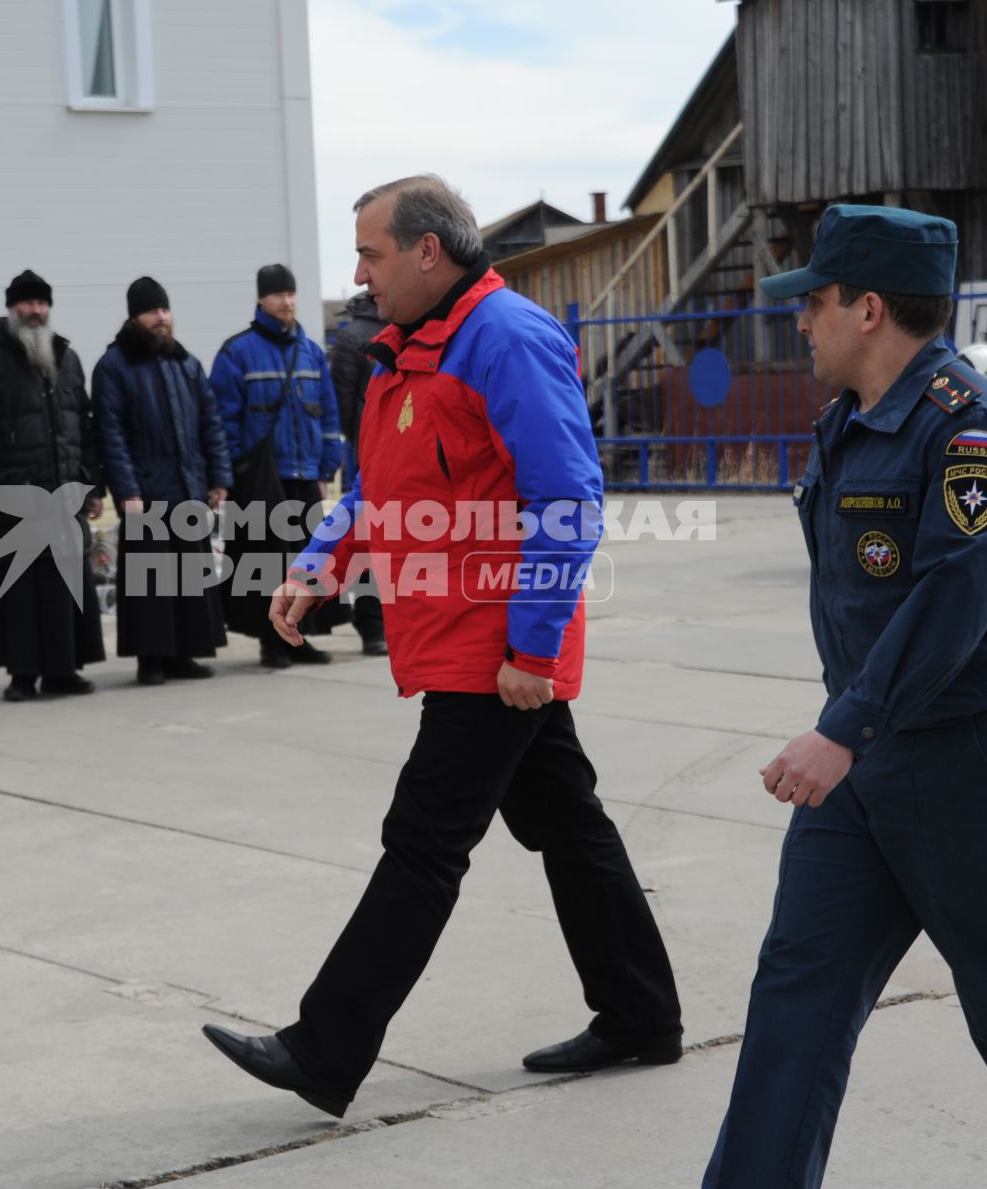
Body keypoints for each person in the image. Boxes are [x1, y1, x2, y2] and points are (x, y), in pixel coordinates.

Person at [202, 176, 682, 1117]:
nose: (357, 275)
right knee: (567, 824)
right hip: (462, 639)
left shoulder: (505, 339)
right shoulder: (408, 354)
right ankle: (640, 1011)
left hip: (495, 648)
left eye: (372, 254)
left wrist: (535, 652)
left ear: (430, 251)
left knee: (423, 840)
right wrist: (318, 565)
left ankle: (324, 1047)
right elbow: (377, 489)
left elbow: (566, 501)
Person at [701, 205, 987, 1187]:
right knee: (796, 999)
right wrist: (853, 730)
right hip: (869, 765)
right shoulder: (852, 421)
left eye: (818, 302)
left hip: (969, 759)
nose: (802, 322)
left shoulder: (972, 431)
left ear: (869, 308)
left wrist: (841, 728)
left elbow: (954, 596)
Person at [0, 269, 104, 701]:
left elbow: (84, 425)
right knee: (20, 590)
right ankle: (22, 676)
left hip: (63, 494)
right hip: (13, 496)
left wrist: (92, 487)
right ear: (12, 308)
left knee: (65, 586)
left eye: (41, 303)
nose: (35, 311)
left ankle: (62, 671)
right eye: (27, 303)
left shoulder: (66, 358)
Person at [90, 276, 230, 686]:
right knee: (149, 583)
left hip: (188, 486)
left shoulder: (185, 363)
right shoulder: (114, 366)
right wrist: (127, 491)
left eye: (165, 310)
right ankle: (150, 659)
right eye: (153, 311)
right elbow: (110, 435)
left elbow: (211, 423)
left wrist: (218, 478)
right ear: (135, 317)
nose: (162, 318)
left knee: (188, 577)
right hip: (145, 492)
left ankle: (183, 655)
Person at [209, 263, 344, 668]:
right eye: (277, 295)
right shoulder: (236, 352)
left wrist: (326, 470)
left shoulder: (312, 353)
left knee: (308, 561)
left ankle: (302, 638)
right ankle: (272, 641)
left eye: (291, 294)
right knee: (264, 563)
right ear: (260, 299)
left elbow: (329, 418)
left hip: (305, 473)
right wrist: (233, 474)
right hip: (261, 478)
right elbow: (223, 421)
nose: (286, 302)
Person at [326, 290, 388, 657]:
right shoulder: (356, 337)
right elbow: (343, 401)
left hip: (375, 450)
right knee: (371, 540)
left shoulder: (406, 325)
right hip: (373, 454)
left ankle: (377, 624)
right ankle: (372, 623)